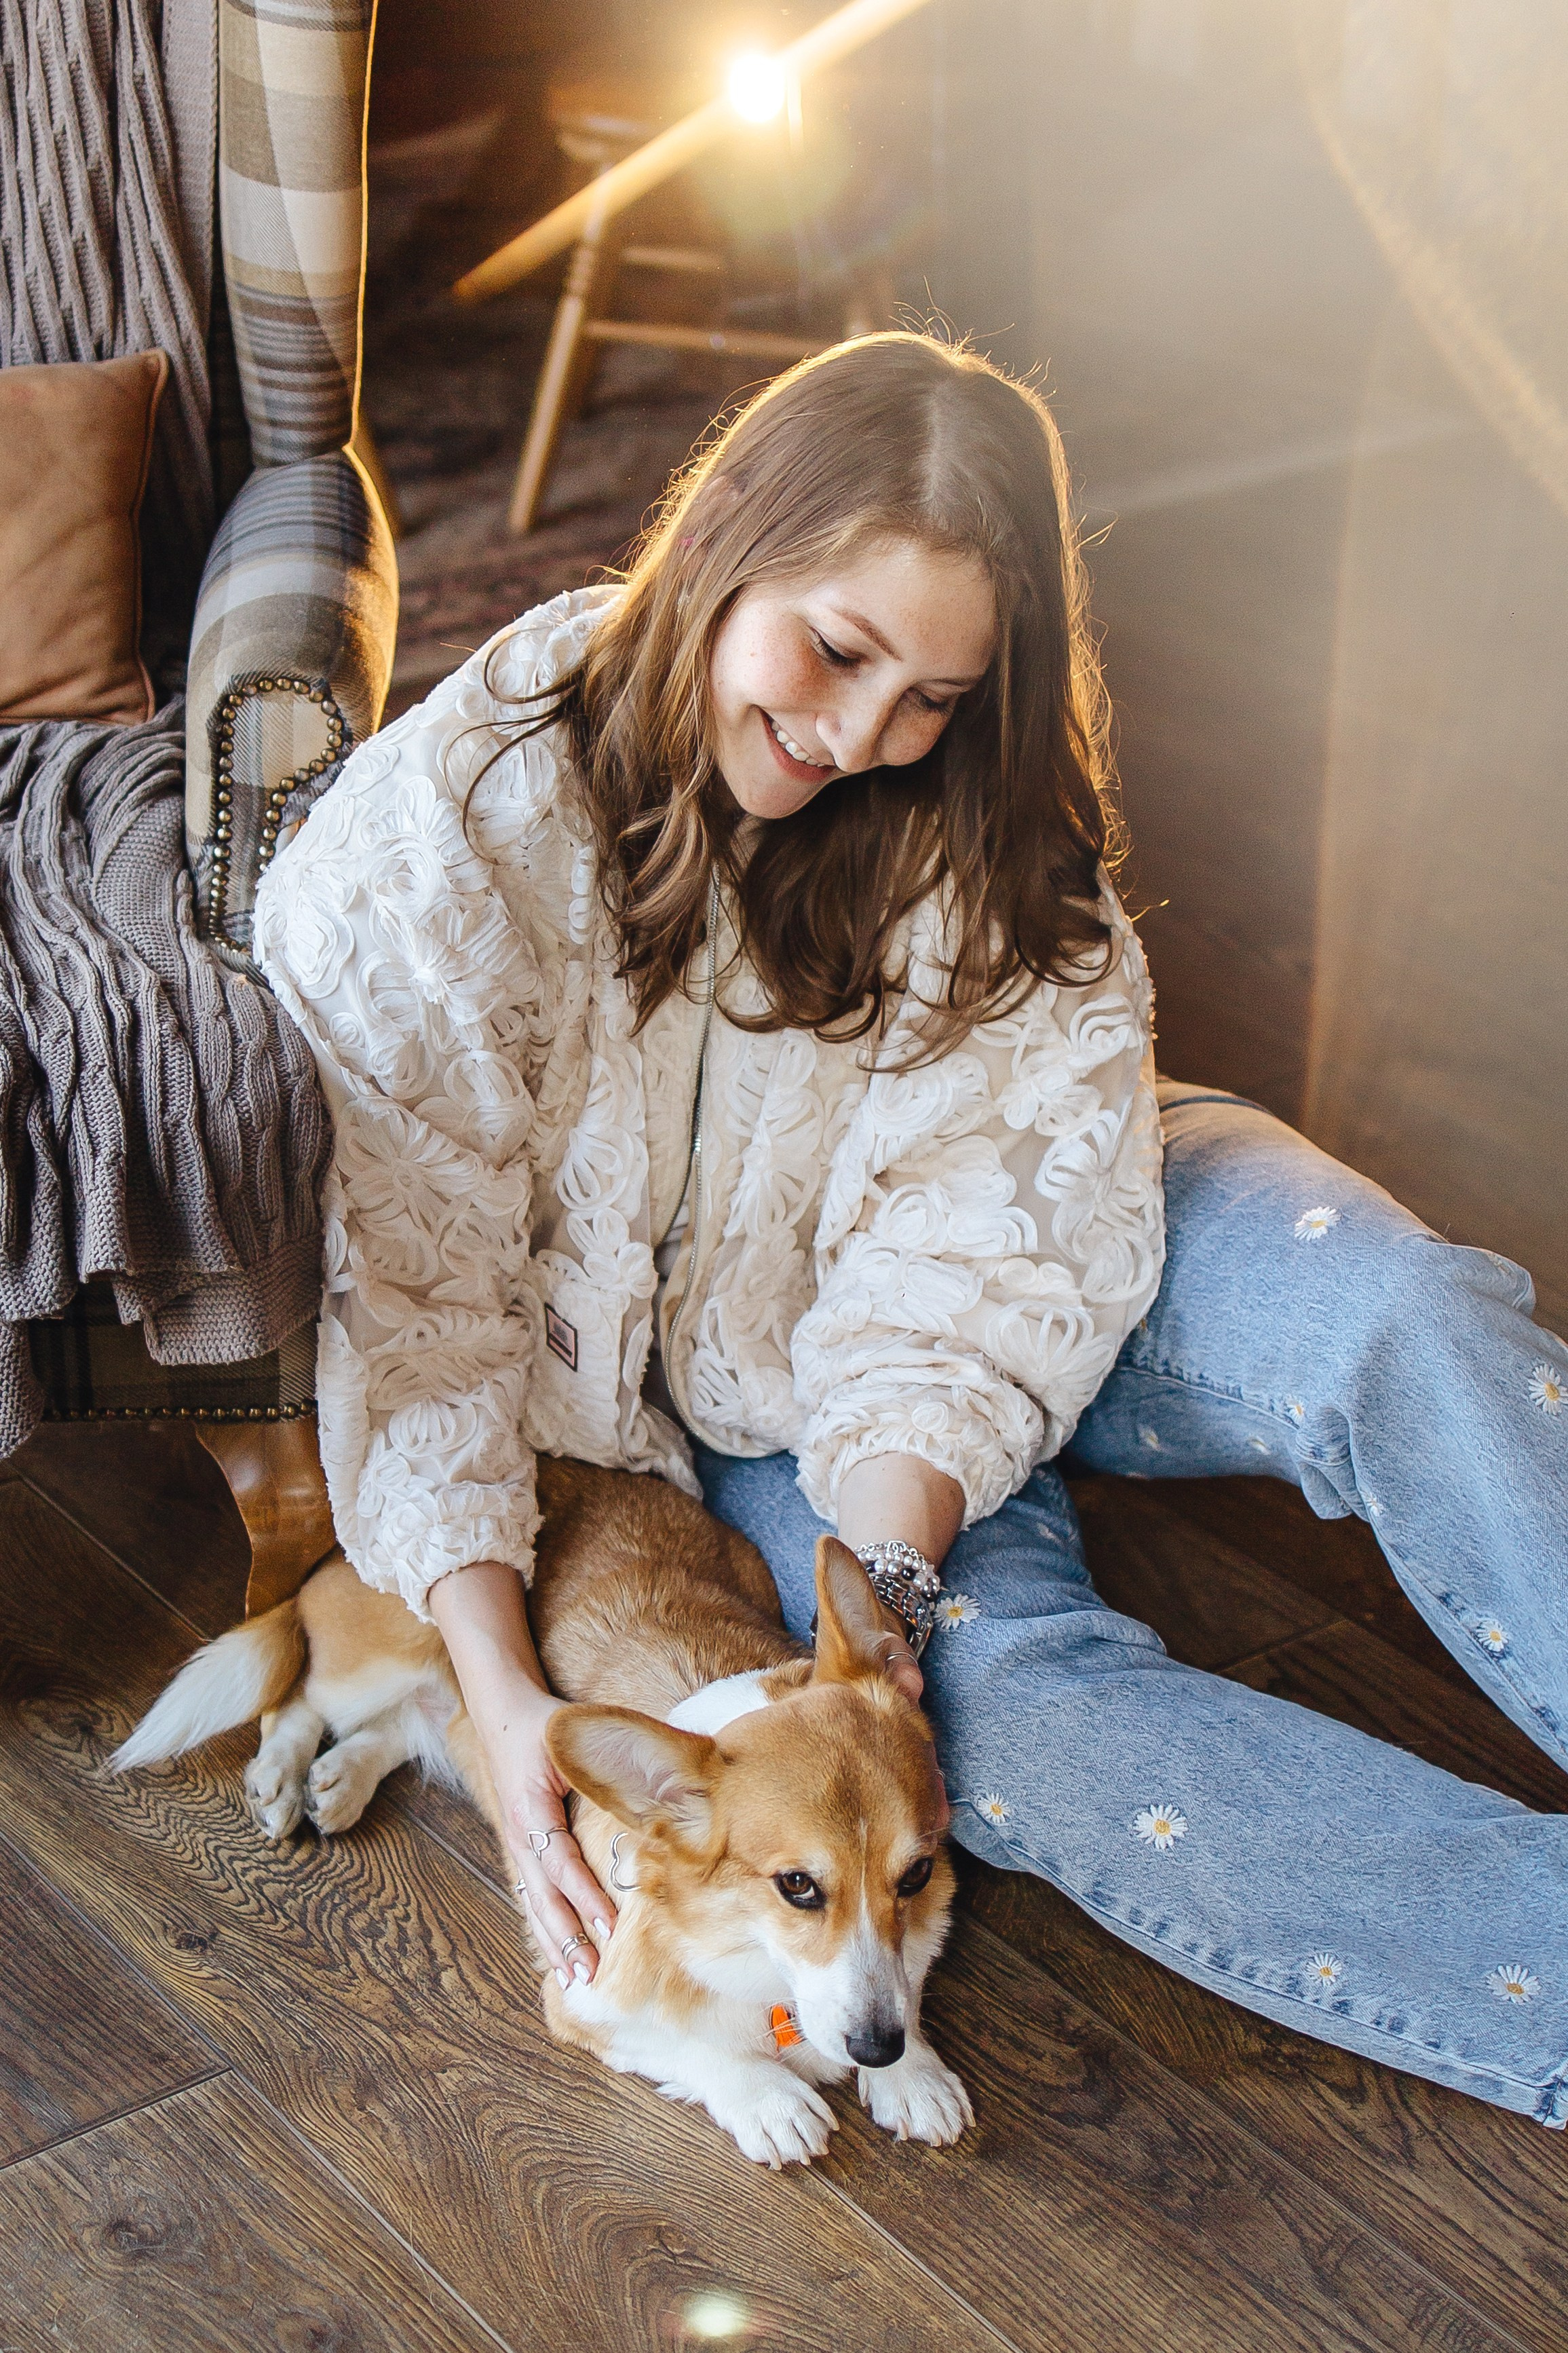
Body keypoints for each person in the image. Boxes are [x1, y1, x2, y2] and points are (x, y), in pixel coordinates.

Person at [256, 333, 1568, 2124]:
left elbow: (969, 1266)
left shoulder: (968, 830)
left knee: (1401, 1311)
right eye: (840, 649)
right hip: (732, 1435)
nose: (870, 734)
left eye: (935, 693)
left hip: (1055, 1208)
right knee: (1020, 1732)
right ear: (724, 538)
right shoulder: (449, 835)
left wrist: (887, 1598)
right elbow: (410, 1301)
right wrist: (503, 1698)